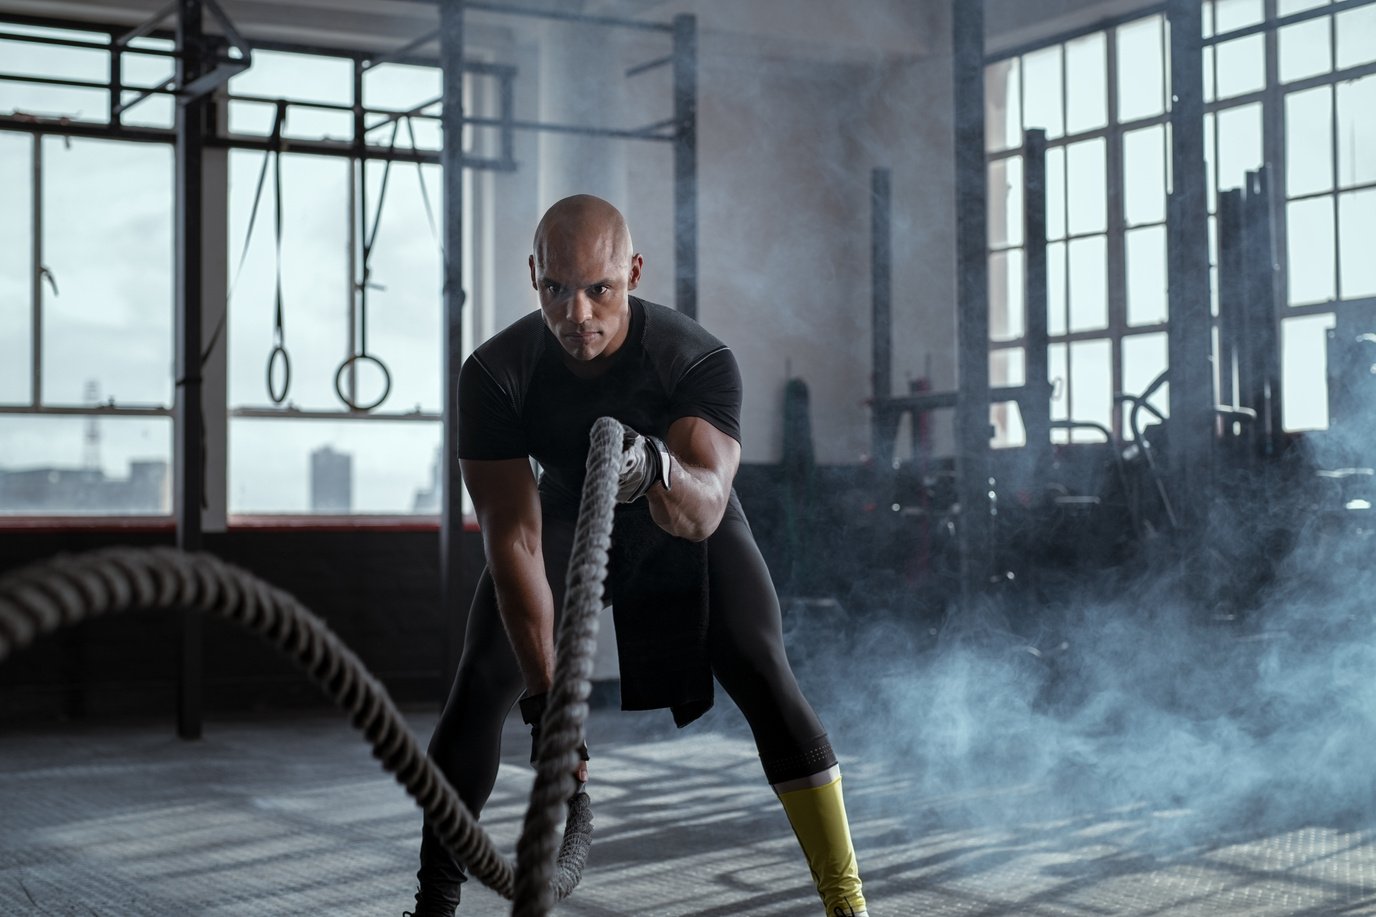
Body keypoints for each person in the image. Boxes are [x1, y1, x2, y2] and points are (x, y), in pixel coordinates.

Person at [408, 194, 869, 917]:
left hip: (678, 506)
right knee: (484, 678)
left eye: (600, 288)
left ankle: (848, 904)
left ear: (634, 273)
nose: (577, 313)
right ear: (534, 275)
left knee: (759, 662)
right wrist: (548, 700)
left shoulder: (693, 357)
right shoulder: (496, 373)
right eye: (557, 288)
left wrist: (653, 467)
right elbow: (514, 537)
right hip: (562, 510)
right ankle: (433, 907)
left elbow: (707, 503)